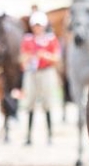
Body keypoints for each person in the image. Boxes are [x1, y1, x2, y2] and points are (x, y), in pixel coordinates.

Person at [20, 10, 61, 145]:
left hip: (46, 71)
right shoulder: (27, 39)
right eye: (35, 25)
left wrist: (44, 55)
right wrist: (29, 57)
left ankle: (50, 135)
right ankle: (28, 136)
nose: (37, 28)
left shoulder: (51, 39)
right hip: (32, 73)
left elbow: (56, 58)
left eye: (39, 25)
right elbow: (22, 58)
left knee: (47, 103)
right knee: (29, 103)